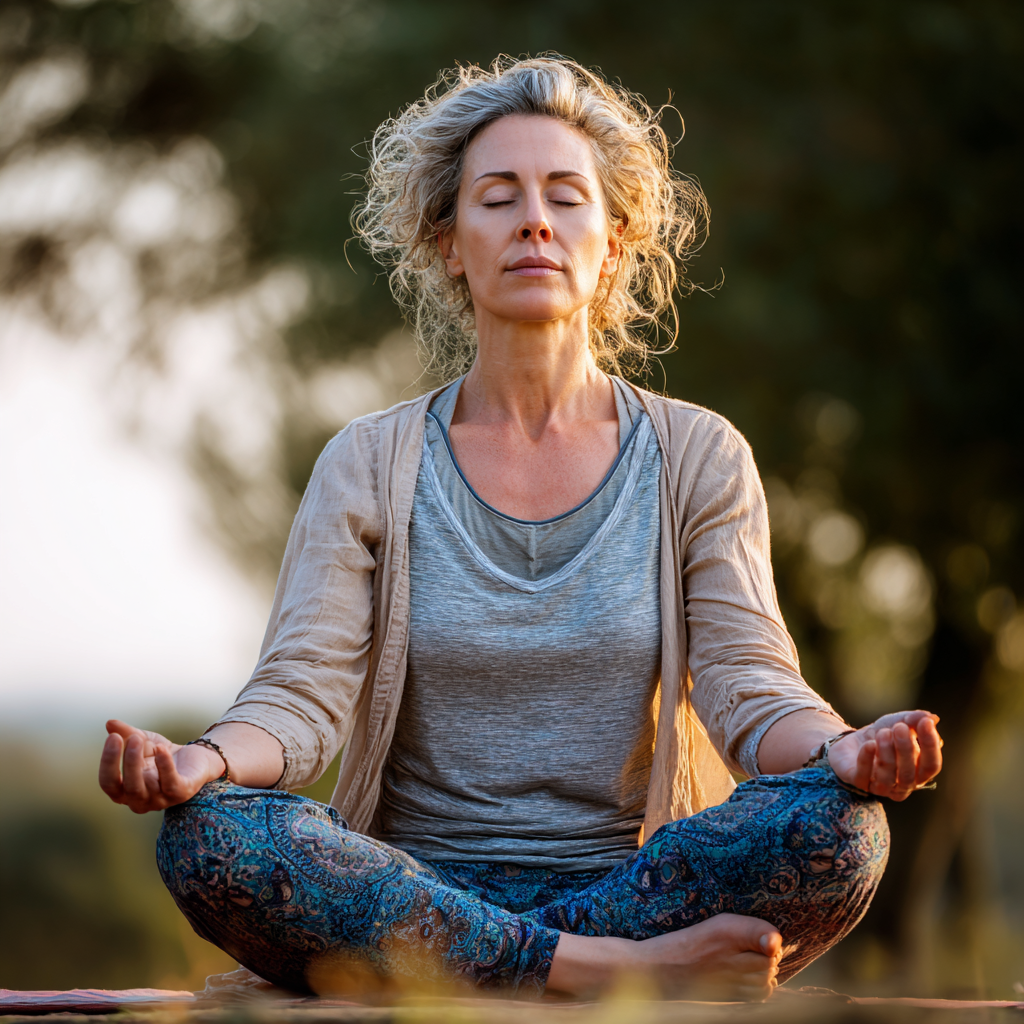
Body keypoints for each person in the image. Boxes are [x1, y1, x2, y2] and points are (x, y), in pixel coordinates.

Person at [98, 56, 942, 1002]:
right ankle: (609, 975)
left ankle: (490, 970)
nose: (534, 220)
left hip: (630, 891)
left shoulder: (699, 456)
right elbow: (301, 697)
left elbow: (751, 690)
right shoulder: (368, 462)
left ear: (612, 243)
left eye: (565, 197)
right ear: (449, 242)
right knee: (213, 835)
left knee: (842, 828)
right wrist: (198, 763)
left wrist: (846, 751)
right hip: (412, 888)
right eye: (497, 198)